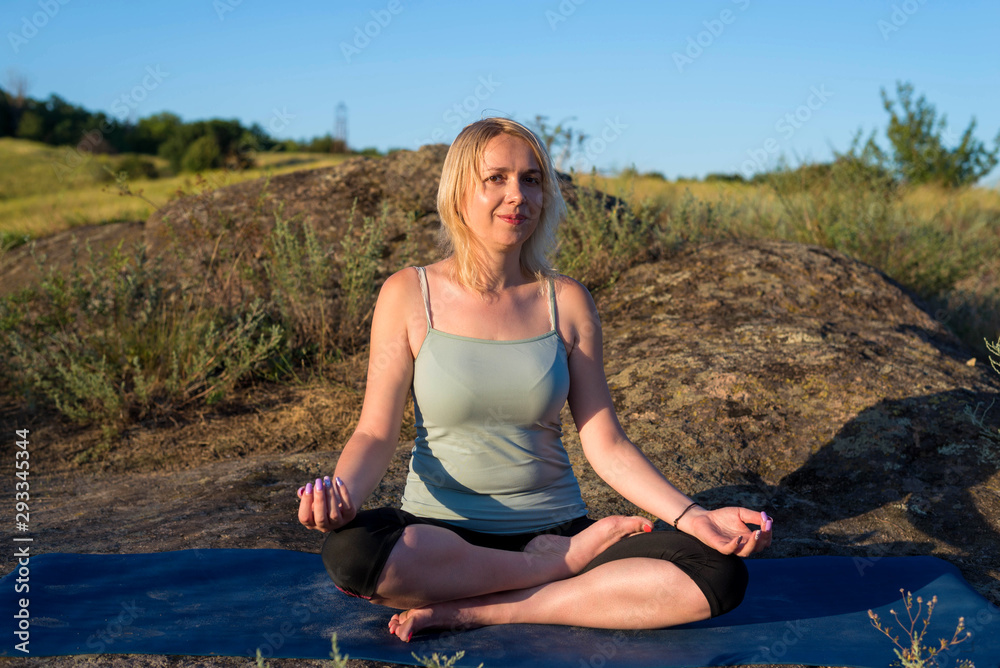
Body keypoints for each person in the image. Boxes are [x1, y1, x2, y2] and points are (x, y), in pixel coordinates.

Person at [296, 117, 772, 642]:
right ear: (458, 193)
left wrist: (693, 516)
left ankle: (481, 609)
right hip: (441, 537)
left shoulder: (565, 301)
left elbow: (606, 442)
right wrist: (341, 496)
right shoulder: (409, 293)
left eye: (531, 179)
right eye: (495, 178)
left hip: (557, 529)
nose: (516, 195)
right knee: (352, 554)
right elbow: (374, 432)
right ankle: (549, 573)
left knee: (717, 574)